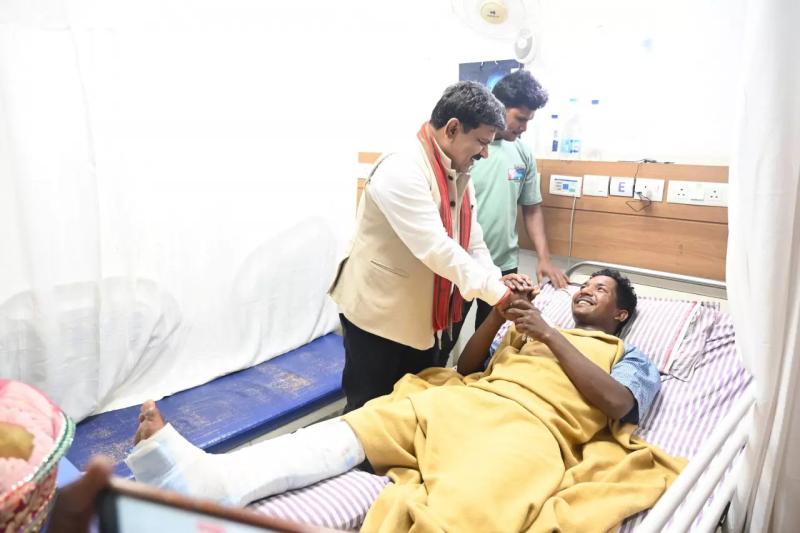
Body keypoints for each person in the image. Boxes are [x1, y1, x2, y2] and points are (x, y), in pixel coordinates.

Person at [124, 269, 681, 532]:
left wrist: (550, 334)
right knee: (359, 425)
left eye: (600, 290)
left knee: (470, 511)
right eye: (584, 284)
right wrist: (497, 316)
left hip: (529, 432)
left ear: (620, 314)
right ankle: (211, 480)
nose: (585, 290)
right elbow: (467, 369)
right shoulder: (528, 331)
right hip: (466, 401)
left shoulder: (628, 355)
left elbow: (618, 406)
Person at [329, 80, 531, 412]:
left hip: (422, 318)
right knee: (368, 412)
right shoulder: (401, 168)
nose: (484, 153)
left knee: (412, 408)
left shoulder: (458, 170)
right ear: (452, 128)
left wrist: (497, 279)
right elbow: (437, 248)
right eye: (481, 142)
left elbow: (473, 242)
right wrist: (500, 296)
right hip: (378, 316)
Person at [440, 70, 569, 365]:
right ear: (498, 106)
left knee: (489, 346)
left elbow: (531, 207)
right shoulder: (466, 149)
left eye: (529, 120)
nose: (523, 127)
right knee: (443, 343)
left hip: (503, 267)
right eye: (520, 118)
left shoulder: (522, 154)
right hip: (459, 263)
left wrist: (544, 258)